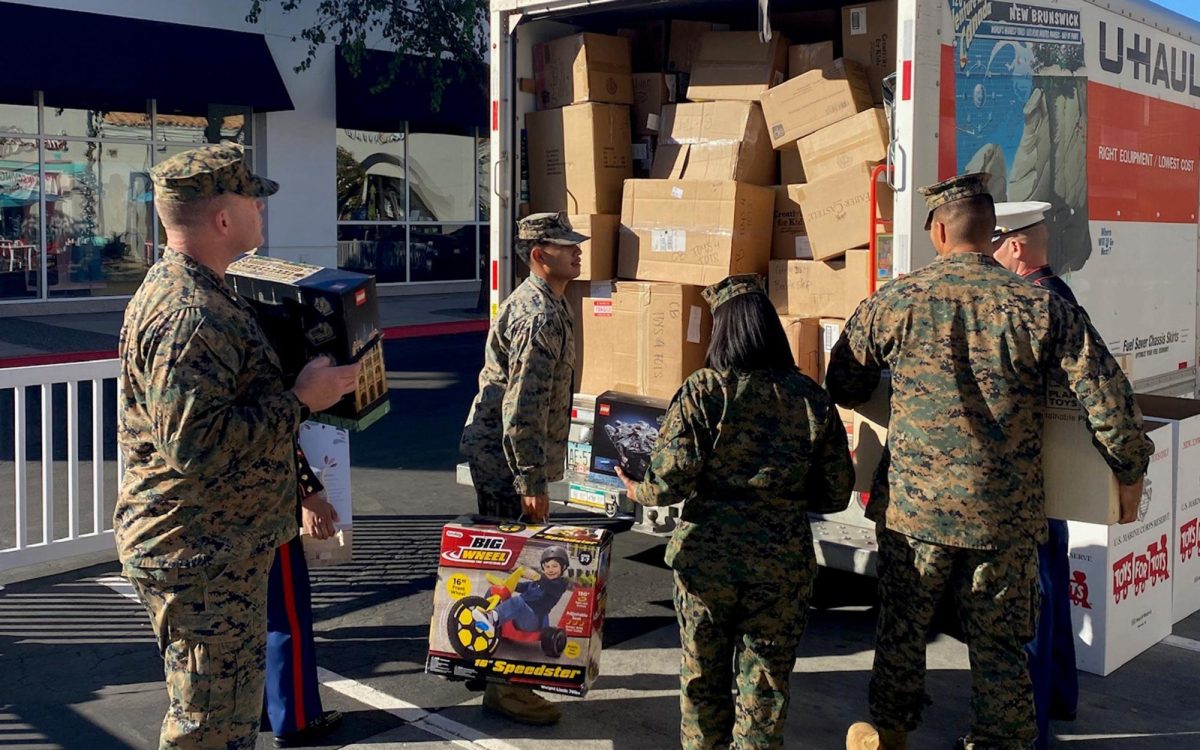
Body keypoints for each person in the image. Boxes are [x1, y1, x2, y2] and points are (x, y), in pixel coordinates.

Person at [833, 174, 1152, 750]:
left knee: (902, 633)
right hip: (1003, 516)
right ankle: (1001, 738)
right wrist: (1130, 473)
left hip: (914, 513)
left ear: (938, 230)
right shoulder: (1037, 306)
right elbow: (1108, 398)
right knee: (1002, 644)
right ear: (991, 232)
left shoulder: (895, 301)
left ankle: (890, 731)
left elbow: (844, 380)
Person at [115, 142, 359, 750]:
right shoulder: (192, 313)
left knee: (223, 718)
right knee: (209, 728)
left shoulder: (207, 292)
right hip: (200, 554)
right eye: (251, 198)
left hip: (218, 546)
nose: (260, 208)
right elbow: (196, 444)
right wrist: (304, 397)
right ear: (222, 218)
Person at [615, 274, 854, 750]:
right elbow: (835, 494)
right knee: (765, 683)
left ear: (722, 331)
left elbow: (667, 484)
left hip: (707, 557)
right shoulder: (811, 398)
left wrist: (635, 489)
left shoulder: (704, 390)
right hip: (782, 560)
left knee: (702, 675)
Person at [459, 211, 585, 725]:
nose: (577, 251)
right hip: (508, 460)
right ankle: (506, 689)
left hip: (504, 455)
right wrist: (531, 480)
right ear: (539, 255)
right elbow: (522, 407)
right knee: (518, 567)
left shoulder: (551, 302)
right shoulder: (539, 314)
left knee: (506, 562)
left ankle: (488, 664)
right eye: (566, 246)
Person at [992, 201, 1079, 747]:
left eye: (997, 242)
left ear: (1017, 246)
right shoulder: (1059, 295)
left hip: (1029, 481)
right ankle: (1058, 697)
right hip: (1049, 477)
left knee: (1033, 602)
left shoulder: (1036, 304)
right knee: (1052, 590)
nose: (992, 252)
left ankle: (1027, 729)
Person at [262, 444, 343, 747]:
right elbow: (275, 427)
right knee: (285, 617)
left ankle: (259, 708)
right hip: (265, 507)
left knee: (245, 618)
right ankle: (293, 718)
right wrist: (308, 492)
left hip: (218, 514)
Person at [482, 546, 570, 634]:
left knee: (517, 601)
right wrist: (503, 582)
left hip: (533, 620)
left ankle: (492, 618)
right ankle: (483, 612)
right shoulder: (536, 583)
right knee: (496, 590)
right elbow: (518, 586)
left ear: (563, 567)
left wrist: (537, 576)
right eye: (547, 567)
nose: (550, 570)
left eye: (555, 566)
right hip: (520, 614)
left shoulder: (559, 585)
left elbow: (549, 586)